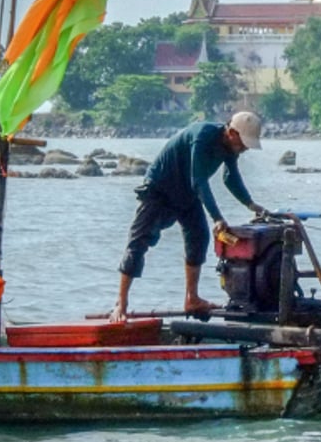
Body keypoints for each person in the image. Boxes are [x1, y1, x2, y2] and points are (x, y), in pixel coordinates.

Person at [110, 112, 265, 323]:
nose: (244, 148)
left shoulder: (230, 147)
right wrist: (217, 218)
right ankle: (121, 303)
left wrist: (250, 204)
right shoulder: (203, 136)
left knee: (199, 237)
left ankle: (192, 298)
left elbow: (230, 177)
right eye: (244, 143)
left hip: (186, 194)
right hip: (160, 190)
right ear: (231, 132)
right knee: (138, 243)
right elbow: (199, 180)